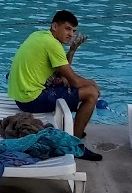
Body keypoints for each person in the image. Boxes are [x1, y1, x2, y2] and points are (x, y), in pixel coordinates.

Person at [7, 9, 102, 153]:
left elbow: (61, 73)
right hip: (30, 100)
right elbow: (74, 81)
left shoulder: (39, 35)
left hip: (21, 97)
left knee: (66, 83)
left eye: (73, 31)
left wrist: (71, 51)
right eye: (67, 29)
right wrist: (92, 82)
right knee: (91, 93)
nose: (71, 34)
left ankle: (76, 131)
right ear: (55, 27)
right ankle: (73, 144)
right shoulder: (53, 45)